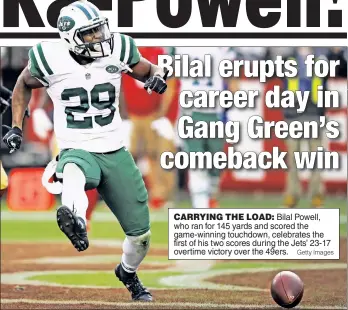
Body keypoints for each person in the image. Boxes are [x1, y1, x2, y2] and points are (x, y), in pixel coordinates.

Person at [2, 0, 168, 302]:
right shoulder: (49, 58)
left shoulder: (118, 48)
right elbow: (23, 83)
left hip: (115, 149)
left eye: (99, 30)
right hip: (76, 145)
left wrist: (155, 78)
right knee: (74, 171)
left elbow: (148, 69)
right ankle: (75, 219)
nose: (100, 38)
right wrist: (16, 125)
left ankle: (127, 272)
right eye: (90, 34)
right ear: (70, 38)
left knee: (140, 236)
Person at [157, 47, 237, 209]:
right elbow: (170, 80)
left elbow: (233, 79)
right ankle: (200, 208)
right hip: (191, 112)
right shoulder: (179, 45)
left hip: (215, 112)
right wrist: (164, 112)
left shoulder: (222, 46)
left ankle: (211, 197)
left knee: (215, 164)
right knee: (197, 163)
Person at [282, 47, 327, 208]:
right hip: (293, 114)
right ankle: (292, 195)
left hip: (314, 113)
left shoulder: (322, 59)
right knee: (293, 159)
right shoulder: (288, 58)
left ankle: (316, 195)